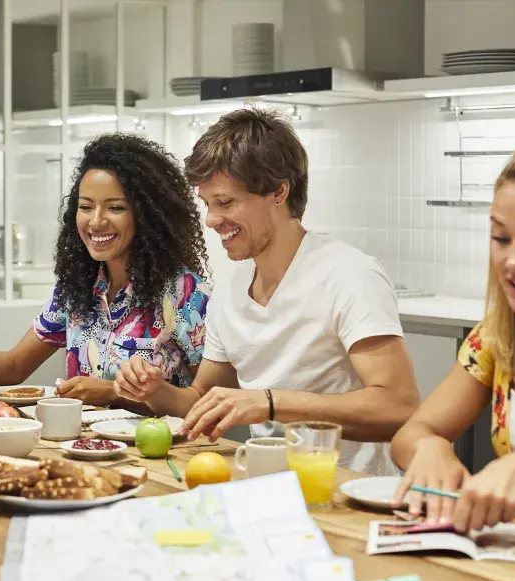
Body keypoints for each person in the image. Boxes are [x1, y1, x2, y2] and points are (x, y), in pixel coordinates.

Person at [114, 107, 419, 475]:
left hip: (347, 487)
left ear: (278, 192)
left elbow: (398, 406)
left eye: (225, 202)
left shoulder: (349, 274)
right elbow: (199, 398)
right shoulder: (230, 288)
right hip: (267, 482)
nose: (211, 220)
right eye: (208, 204)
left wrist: (269, 403)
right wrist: (153, 390)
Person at [0, 133, 211, 409]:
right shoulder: (78, 288)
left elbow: (204, 400)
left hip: (165, 454)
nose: (95, 222)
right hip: (80, 446)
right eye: (86, 206)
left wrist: (112, 392)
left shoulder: (186, 295)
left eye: (115, 208)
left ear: (148, 216)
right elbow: (15, 366)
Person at [392, 141, 515, 533]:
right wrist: (430, 446)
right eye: (501, 238)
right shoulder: (496, 338)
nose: (513, 261)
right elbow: (407, 435)